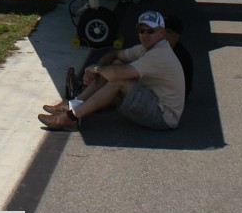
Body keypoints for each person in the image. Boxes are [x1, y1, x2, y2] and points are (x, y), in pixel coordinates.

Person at [38, 10, 185, 132]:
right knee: (116, 63)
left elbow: (118, 75)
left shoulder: (159, 54)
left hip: (164, 116)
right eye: (141, 30)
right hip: (153, 101)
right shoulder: (147, 48)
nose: (144, 35)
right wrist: (98, 67)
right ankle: (74, 104)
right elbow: (114, 54)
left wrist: (95, 69)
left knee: (118, 81)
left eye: (150, 31)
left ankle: (71, 118)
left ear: (161, 33)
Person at [162, 14, 194, 98]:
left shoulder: (181, 56)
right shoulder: (157, 48)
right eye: (160, 30)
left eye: (168, 32)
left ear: (177, 36)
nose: (163, 35)